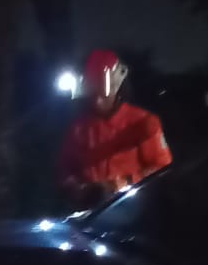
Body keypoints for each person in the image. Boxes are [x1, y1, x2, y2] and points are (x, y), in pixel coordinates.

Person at [57, 48, 173, 207]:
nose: (97, 101)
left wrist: (123, 183)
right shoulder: (79, 128)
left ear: (117, 88)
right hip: (90, 212)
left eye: (103, 95)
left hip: (134, 210)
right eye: (93, 94)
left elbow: (163, 167)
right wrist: (76, 188)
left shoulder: (144, 121)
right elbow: (65, 168)